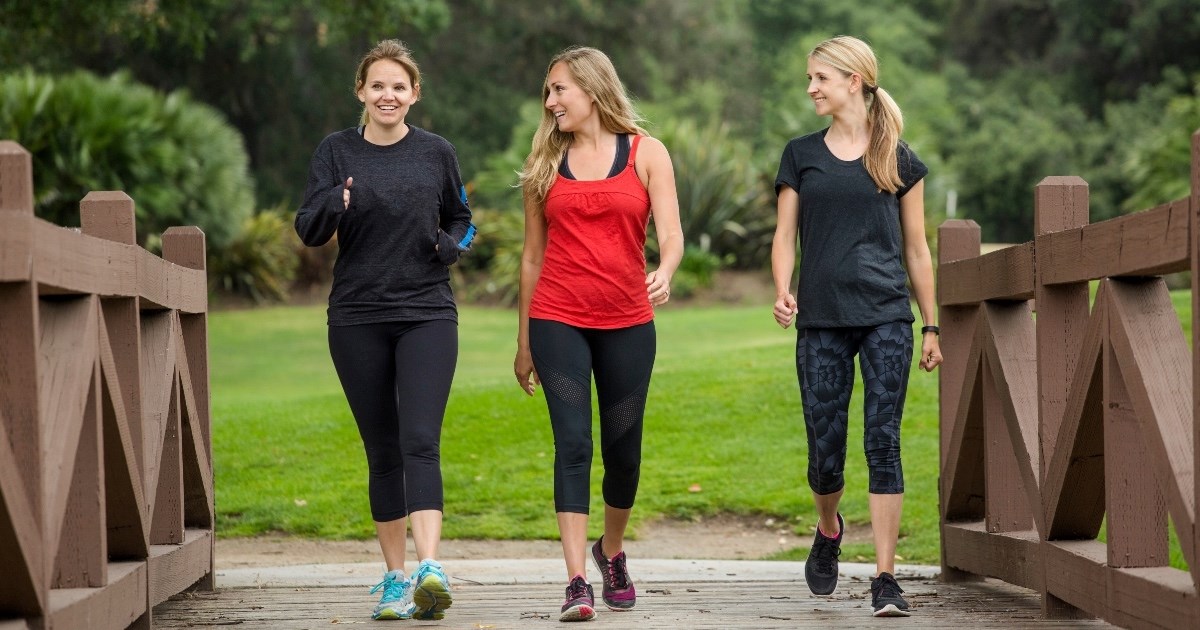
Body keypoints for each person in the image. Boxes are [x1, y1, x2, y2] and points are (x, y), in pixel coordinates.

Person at [294, 38, 474, 622]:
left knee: (421, 438)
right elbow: (308, 228)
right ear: (361, 93)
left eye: (399, 86)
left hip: (426, 312)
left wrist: (448, 247)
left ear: (414, 93)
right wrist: (336, 204)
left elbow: (462, 218)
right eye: (378, 85)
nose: (388, 94)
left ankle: (430, 569)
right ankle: (394, 579)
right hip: (356, 317)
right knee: (383, 451)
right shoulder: (335, 152)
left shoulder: (436, 152)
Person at [770, 35, 941, 618]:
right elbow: (784, 235)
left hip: (887, 317)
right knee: (825, 454)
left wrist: (931, 325)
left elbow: (917, 251)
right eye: (810, 78)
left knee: (883, 442)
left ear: (854, 81)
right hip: (820, 320)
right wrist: (782, 289)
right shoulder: (800, 154)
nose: (811, 87)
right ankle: (830, 527)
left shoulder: (899, 158)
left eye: (820, 77)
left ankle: (886, 578)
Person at [513, 46, 684, 622]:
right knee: (573, 444)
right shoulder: (544, 159)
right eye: (548, 91)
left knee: (623, 452)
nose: (551, 101)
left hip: (628, 321)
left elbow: (673, 232)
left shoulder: (646, 152)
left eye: (559, 89)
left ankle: (610, 552)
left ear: (591, 89)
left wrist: (664, 269)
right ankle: (577, 582)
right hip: (557, 317)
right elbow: (532, 258)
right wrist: (523, 342)